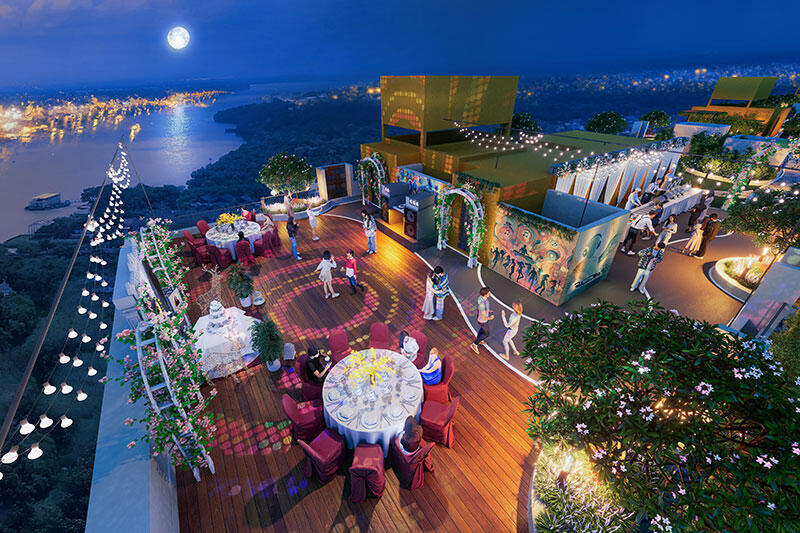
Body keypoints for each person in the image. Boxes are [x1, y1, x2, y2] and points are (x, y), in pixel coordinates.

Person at [471, 287, 494, 354]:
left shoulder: (482, 298)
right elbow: (483, 316)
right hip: (482, 321)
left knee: (482, 330)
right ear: (485, 294)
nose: (489, 293)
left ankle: (479, 340)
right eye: (488, 293)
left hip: (481, 319)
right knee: (486, 334)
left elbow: (484, 309)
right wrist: (490, 318)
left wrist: (488, 310)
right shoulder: (482, 304)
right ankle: (474, 344)